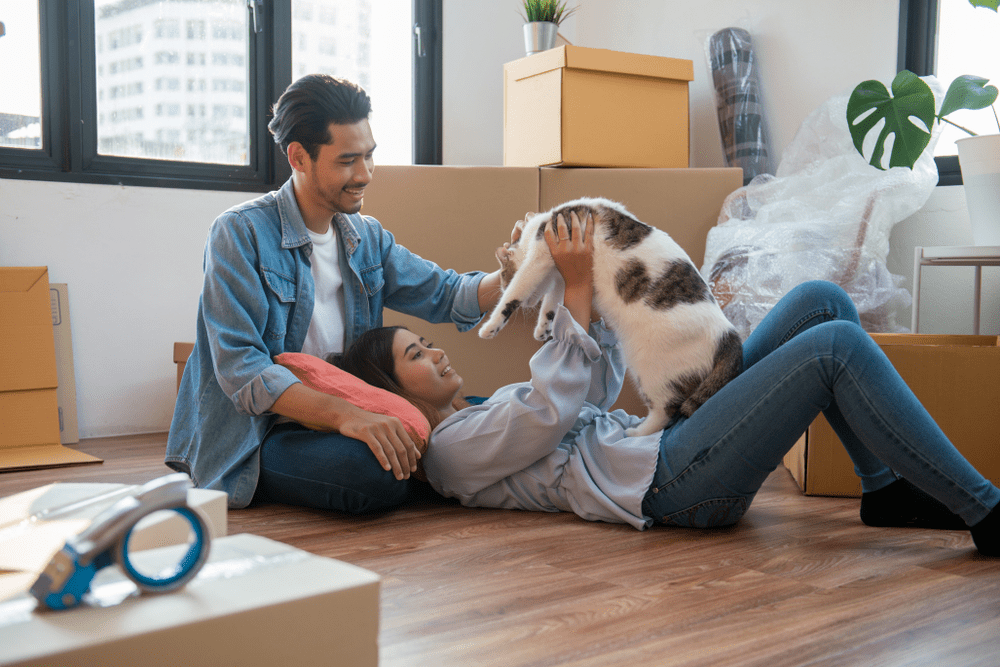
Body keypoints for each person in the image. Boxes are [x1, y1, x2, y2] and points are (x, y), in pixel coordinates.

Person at [334, 210, 1000, 556]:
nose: (436, 353)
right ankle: (987, 511)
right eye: (416, 355)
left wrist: (585, 285)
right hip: (672, 483)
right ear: (396, 393)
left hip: (670, 435)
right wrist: (568, 288)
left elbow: (592, 392)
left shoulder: (482, 408)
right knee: (836, 348)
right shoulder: (450, 455)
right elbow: (548, 413)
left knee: (820, 301)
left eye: (426, 340)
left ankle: (882, 490)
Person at [165, 74, 502, 513]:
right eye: (347, 161)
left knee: (487, 411)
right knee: (370, 473)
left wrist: (519, 270)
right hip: (267, 429)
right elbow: (242, 372)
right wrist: (349, 417)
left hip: (354, 409)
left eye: (369, 156)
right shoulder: (240, 232)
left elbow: (450, 295)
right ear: (299, 157)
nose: (364, 174)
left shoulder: (366, 238)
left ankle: (435, 459)